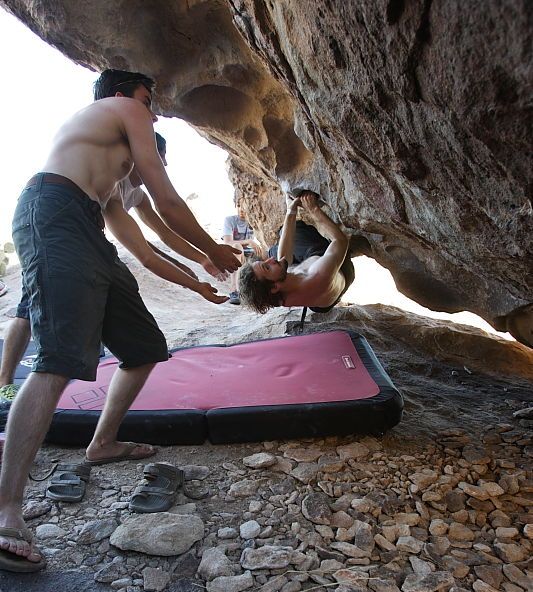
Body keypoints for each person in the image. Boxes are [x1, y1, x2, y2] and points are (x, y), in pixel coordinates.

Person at [0, 68, 239, 572]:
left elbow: (150, 252)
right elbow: (169, 199)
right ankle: (5, 511)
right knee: (59, 359)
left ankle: (101, 443)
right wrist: (213, 246)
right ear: (122, 96)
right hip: (53, 211)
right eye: (148, 99)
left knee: (143, 346)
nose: (152, 111)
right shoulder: (123, 110)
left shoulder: (109, 189)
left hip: (86, 226)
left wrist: (201, 276)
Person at [0, 132, 224, 405]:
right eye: (159, 156)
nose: (163, 164)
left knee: (141, 344)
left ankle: (102, 440)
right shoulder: (112, 183)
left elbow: (162, 235)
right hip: (56, 226)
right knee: (28, 306)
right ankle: (4, 383)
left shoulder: (137, 195)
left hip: (87, 241)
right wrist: (197, 285)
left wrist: (201, 259)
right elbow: (144, 254)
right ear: (142, 155)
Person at [239, 192, 353, 325]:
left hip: (312, 290)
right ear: (275, 287)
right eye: (267, 267)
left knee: (277, 250)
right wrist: (313, 209)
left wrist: (291, 210)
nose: (270, 260)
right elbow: (340, 240)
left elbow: (283, 258)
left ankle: (288, 221)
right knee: (297, 229)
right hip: (339, 266)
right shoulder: (318, 275)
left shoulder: (275, 294)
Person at [222, 205, 263, 305]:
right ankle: (234, 289)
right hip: (235, 252)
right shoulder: (230, 220)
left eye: (244, 205)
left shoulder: (254, 220)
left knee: (266, 251)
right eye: (239, 205)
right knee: (237, 246)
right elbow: (228, 242)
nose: (241, 209)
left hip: (249, 254)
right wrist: (248, 241)